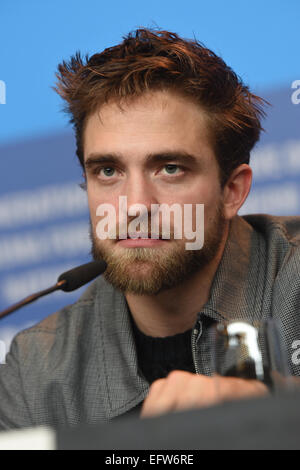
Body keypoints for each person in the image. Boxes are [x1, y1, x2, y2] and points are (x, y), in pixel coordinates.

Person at [0, 28, 299, 430]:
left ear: (232, 190)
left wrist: (279, 420)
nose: (136, 205)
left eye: (170, 168)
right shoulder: (37, 369)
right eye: (108, 171)